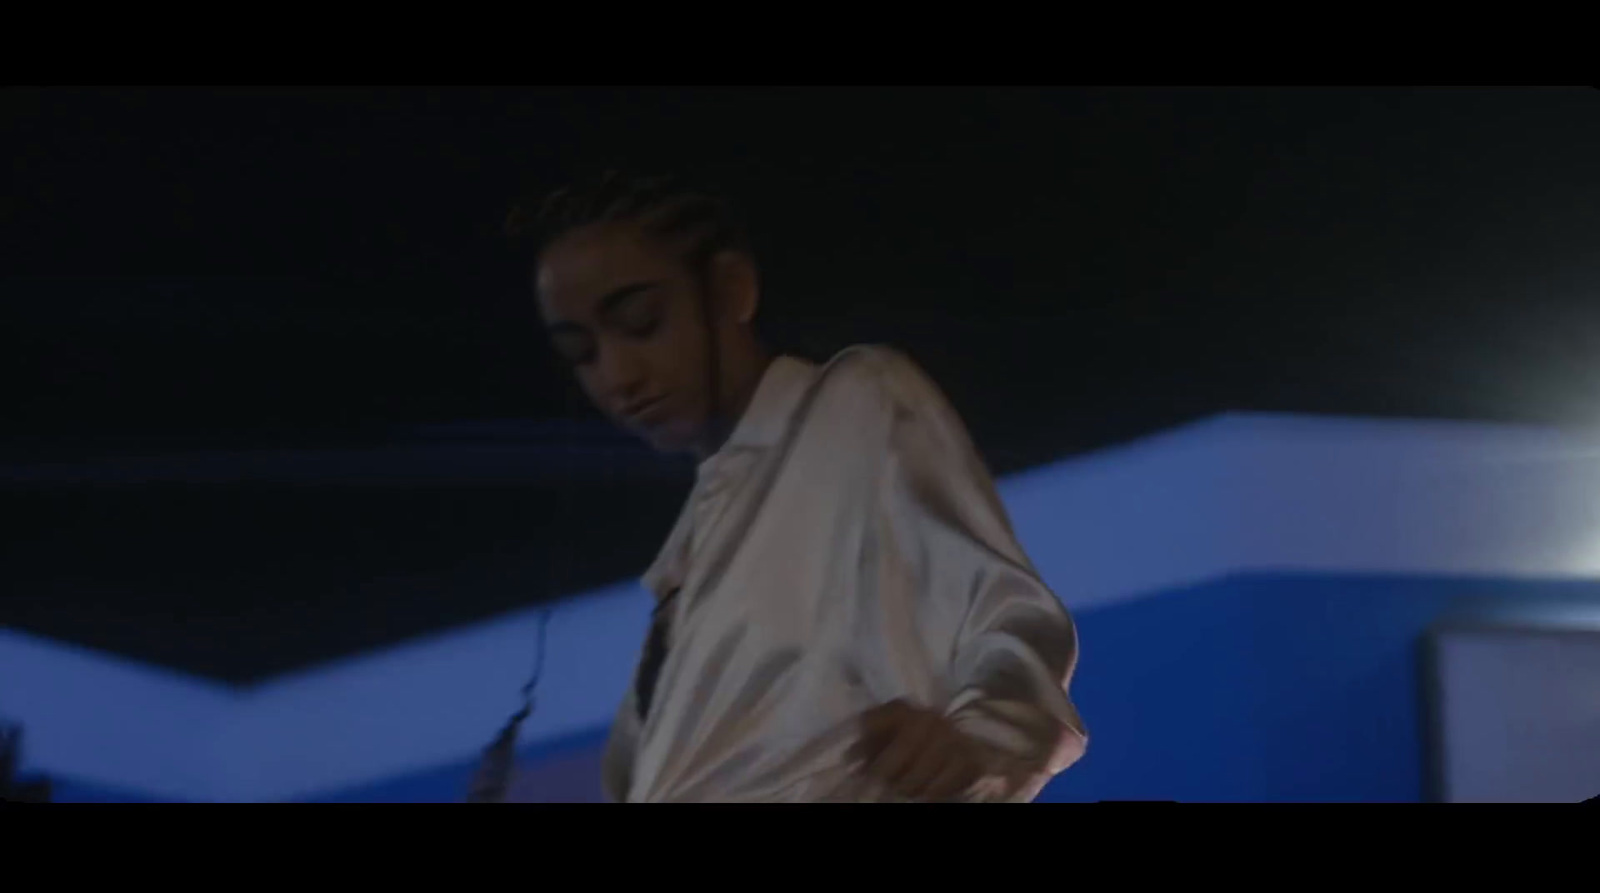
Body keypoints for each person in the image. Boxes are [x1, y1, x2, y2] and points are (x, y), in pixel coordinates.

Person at [503, 172, 1087, 802]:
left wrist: (977, 743)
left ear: (731, 289)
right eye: (581, 353)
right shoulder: (688, 556)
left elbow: (1008, 624)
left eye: (642, 322)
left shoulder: (853, 406)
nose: (617, 376)